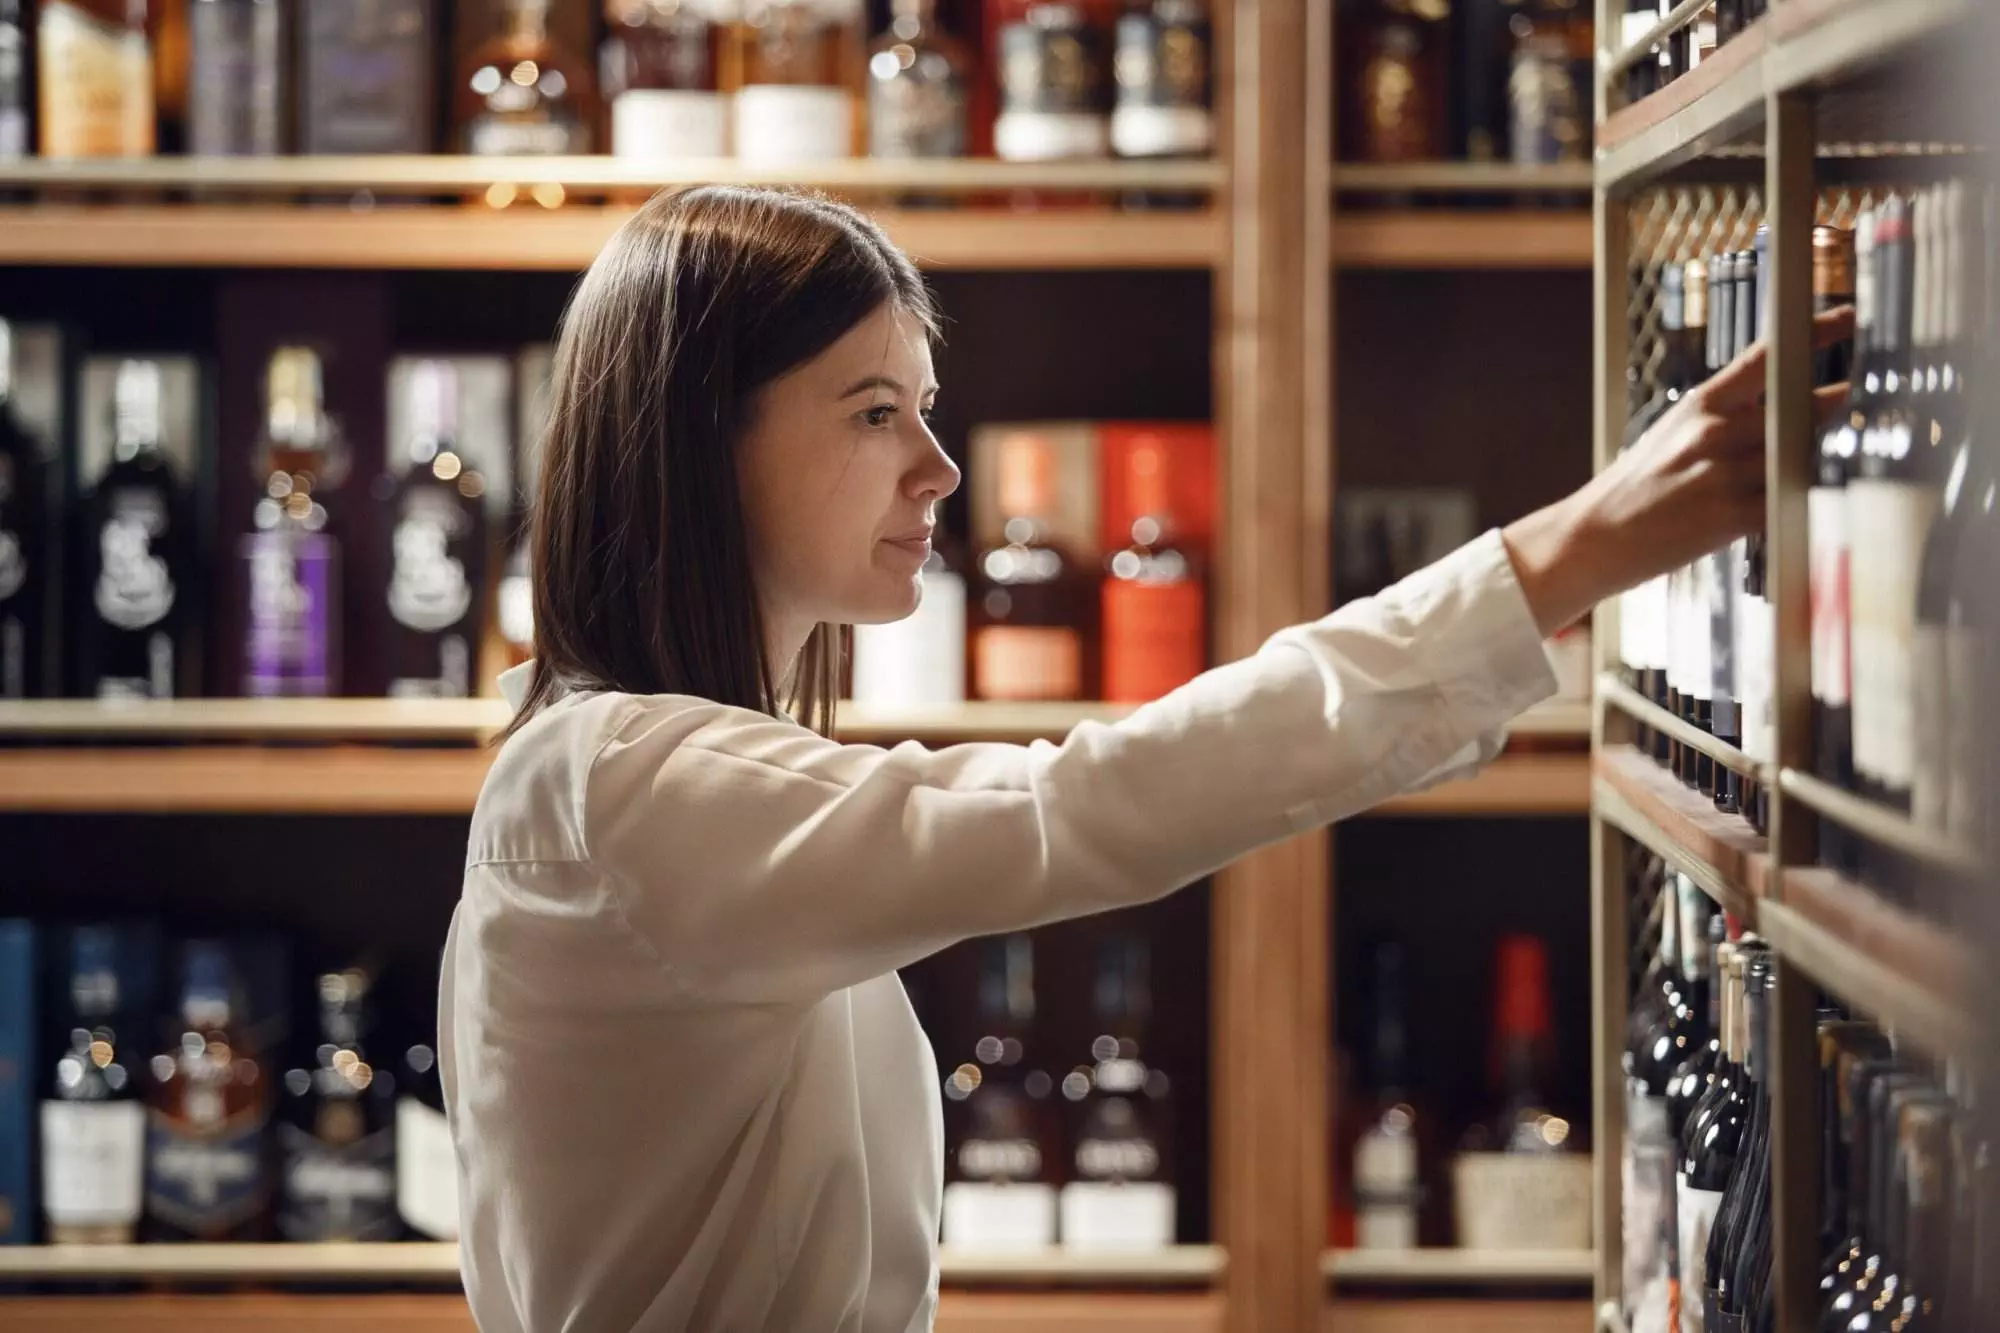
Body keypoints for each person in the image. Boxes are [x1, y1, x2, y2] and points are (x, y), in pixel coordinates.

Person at [439, 186, 1849, 1332]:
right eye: (876, 411)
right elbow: (1085, 808)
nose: (937, 467)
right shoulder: (618, 791)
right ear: (699, 435)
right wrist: (1574, 549)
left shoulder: (653, 775)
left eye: (925, 408)